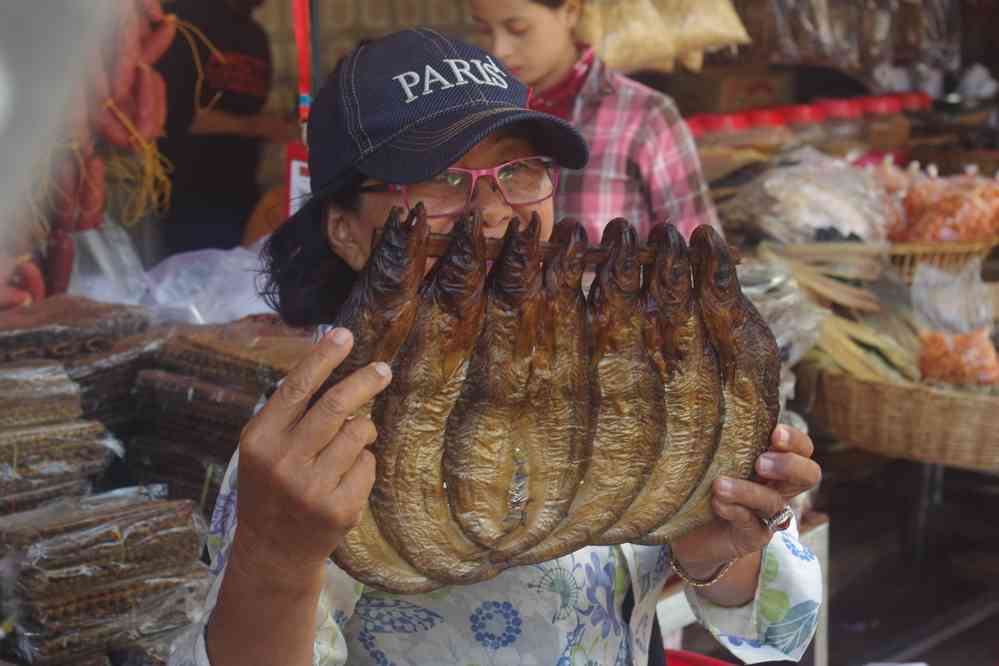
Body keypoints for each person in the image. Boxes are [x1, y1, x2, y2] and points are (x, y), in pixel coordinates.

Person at [168, 29, 823, 666]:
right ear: (344, 230)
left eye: (518, 169)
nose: (493, 208)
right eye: (439, 176)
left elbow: (777, 637)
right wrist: (276, 557)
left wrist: (711, 549)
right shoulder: (312, 447)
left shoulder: (632, 375)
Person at [470, 0, 719, 244]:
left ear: (570, 11)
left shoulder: (644, 115)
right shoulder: (473, 116)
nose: (499, 49)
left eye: (518, 29)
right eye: (483, 30)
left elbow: (696, 251)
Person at [156, 0, 298, 256]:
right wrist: (254, 126)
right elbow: (170, 115)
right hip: (188, 196)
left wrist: (275, 126)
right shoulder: (182, 21)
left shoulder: (256, 36)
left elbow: (248, 111)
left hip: (242, 192)